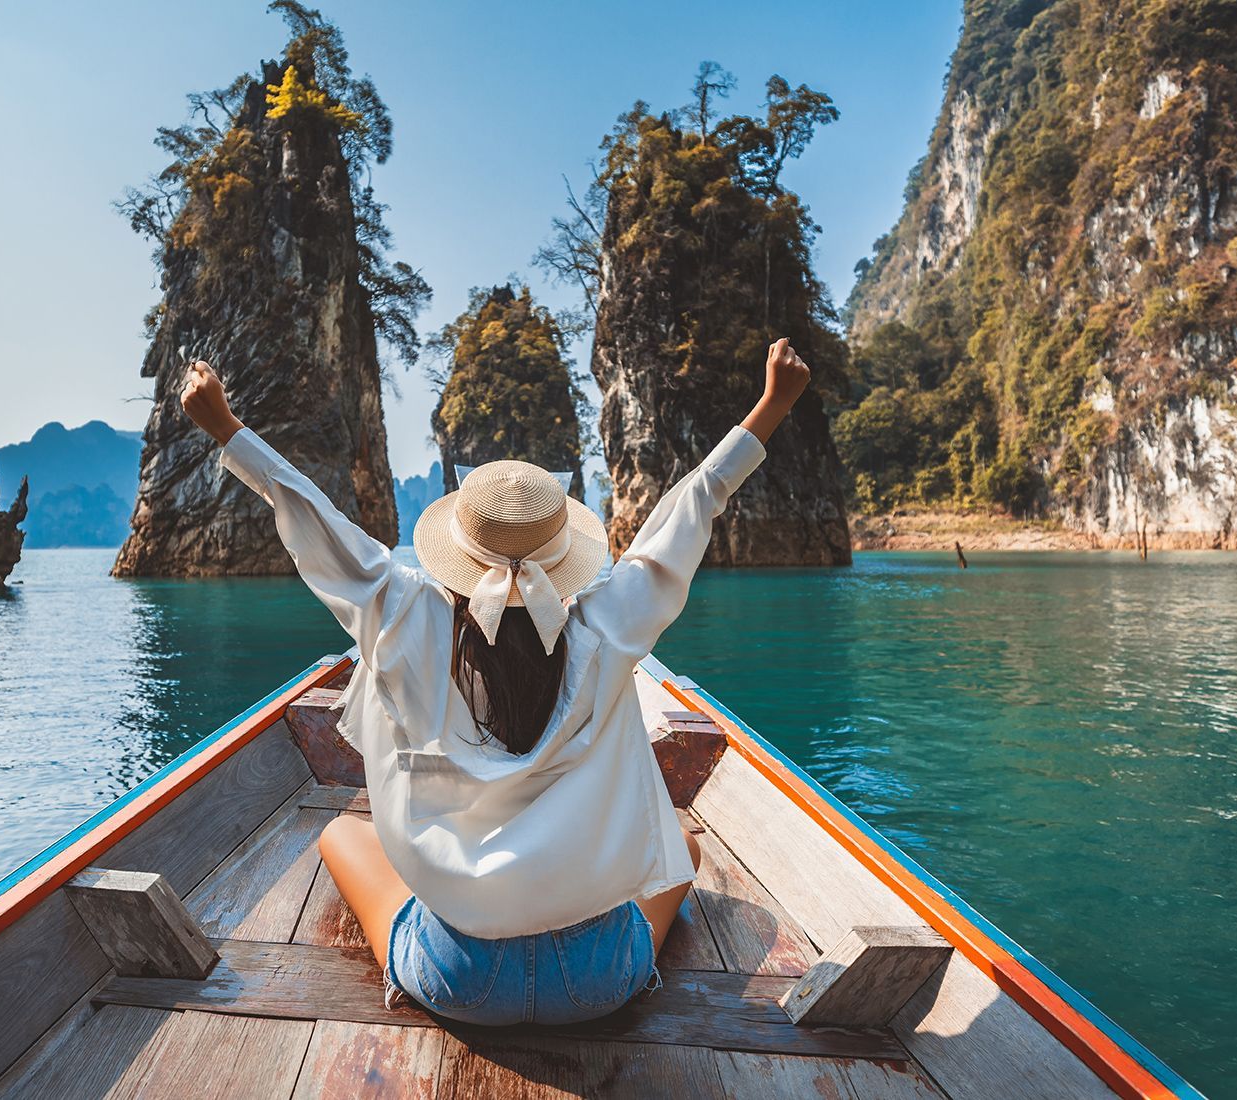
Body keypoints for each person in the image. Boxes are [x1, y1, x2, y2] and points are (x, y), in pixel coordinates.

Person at [181, 337, 811, 1025]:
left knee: (340, 837)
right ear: (565, 555)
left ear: (455, 551)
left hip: (459, 981)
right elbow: (687, 518)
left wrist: (226, 428)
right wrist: (771, 406)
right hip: (598, 982)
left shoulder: (403, 618)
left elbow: (319, 530)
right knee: (681, 848)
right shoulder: (606, 630)